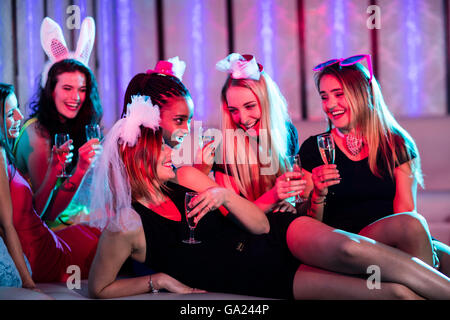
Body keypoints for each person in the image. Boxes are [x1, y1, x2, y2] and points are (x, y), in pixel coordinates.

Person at [85, 94, 450, 299]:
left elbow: (260, 224)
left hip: (276, 236)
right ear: (137, 157)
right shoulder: (126, 223)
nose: (171, 152)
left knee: (353, 250)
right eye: (161, 149)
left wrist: (223, 196)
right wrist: (157, 280)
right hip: (262, 277)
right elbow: (100, 287)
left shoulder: (187, 178)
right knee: (394, 296)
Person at [299, 54, 448, 274]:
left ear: (364, 93)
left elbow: (405, 211)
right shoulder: (314, 149)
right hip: (348, 244)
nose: (330, 105)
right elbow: (308, 227)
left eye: (338, 94)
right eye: (324, 96)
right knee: (413, 228)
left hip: (395, 240)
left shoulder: (397, 144)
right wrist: (318, 195)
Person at [0, 83, 100, 285]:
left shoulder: (6, 152)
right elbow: (6, 226)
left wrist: (55, 169)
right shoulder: (2, 154)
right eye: (11, 114)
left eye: (18, 108)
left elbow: (37, 211)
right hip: (38, 255)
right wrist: (27, 283)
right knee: (108, 243)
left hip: (44, 238)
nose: (20, 117)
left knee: (99, 230)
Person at [13, 17, 102, 229]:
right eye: (67, 88)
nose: (76, 97)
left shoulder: (76, 126)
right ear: (50, 89)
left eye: (82, 89)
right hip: (42, 235)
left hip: (72, 223)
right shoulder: (37, 134)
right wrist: (80, 170)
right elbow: (46, 213)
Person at [193, 53, 303, 214]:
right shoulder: (223, 149)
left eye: (250, 106)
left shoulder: (288, 133)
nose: (243, 119)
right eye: (233, 110)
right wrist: (273, 198)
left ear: (267, 101)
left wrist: (290, 204)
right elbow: (236, 218)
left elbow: (297, 196)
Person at [120, 56, 193, 149]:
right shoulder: (140, 162)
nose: (187, 130)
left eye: (189, 121)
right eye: (179, 120)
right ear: (153, 116)